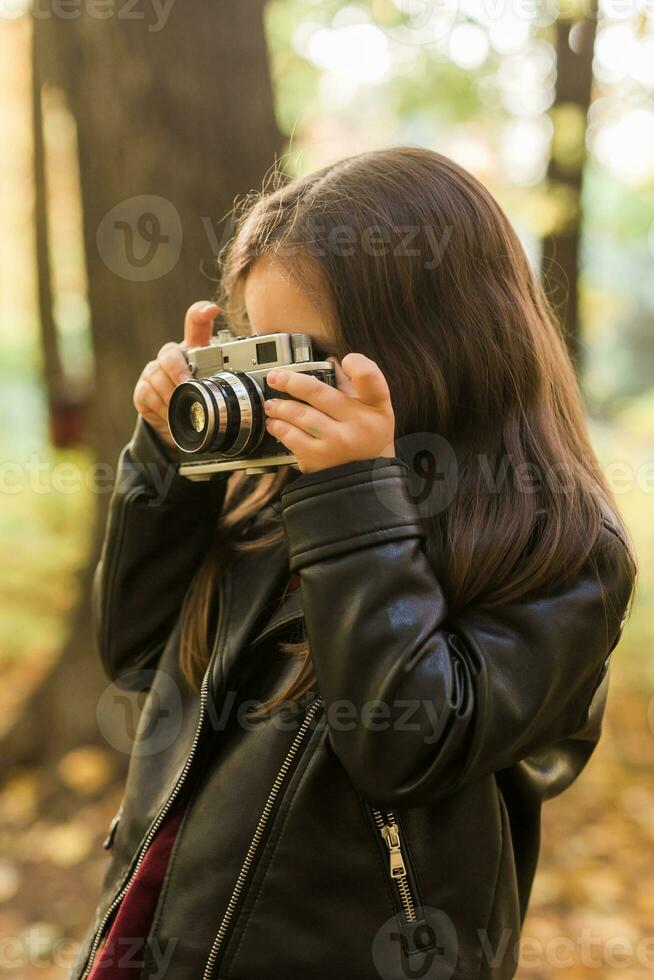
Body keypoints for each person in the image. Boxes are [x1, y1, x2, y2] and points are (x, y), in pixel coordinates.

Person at [72, 147, 637, 980]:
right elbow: (137, 658)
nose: (273, 394)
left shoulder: (558, 551)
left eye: (305, 359)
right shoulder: (268, 494)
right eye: (253, 350)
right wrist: (172, 468)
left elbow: (404, 748)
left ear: (435, 343)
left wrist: (352, 504)